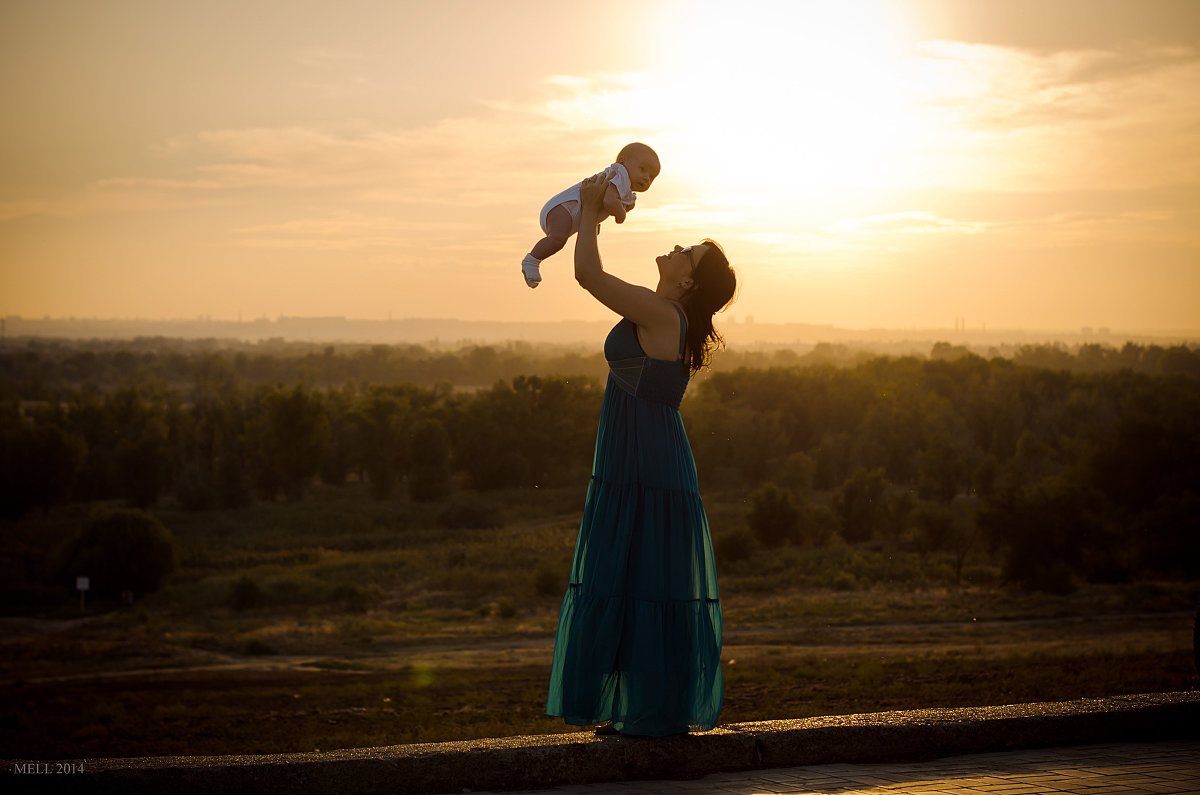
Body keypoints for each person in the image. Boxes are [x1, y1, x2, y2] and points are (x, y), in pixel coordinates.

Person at [545, 170, 737, 736]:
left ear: (686, 284)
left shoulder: (664, 316)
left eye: (689, 254)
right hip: (641, 460)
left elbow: (586, 273)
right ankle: (636, 711)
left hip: (645, 463)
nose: (677, 248)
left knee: (640, 577)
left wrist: (584, 208)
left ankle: (649, 716)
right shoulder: (660, 311)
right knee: (633, 577)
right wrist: (594, 218)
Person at [521, 143, 661, 288]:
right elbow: (609, 201)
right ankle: (532, 260)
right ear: (622, 163)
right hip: (566, 207)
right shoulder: (620, 175)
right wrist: (621, 215)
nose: (646, 178)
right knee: (557, 239)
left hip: (573, 210)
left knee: (559, 239)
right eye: (643, 169)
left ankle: (534, 259)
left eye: (651, 177)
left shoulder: (625, 188)